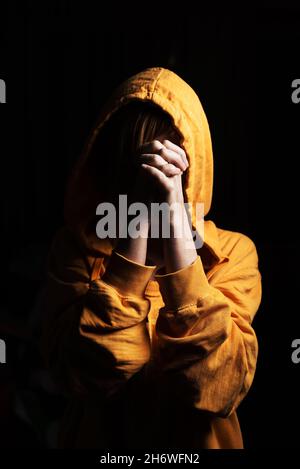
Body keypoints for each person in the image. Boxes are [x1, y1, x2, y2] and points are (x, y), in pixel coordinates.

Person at [41, 67, 262, 449]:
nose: (155, 187)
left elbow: (217, 383)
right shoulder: (74, 249)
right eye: (140, 173)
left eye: (170, 170)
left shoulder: (232, 253)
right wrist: (138, 223)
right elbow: (88, 374)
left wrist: (176, 218)